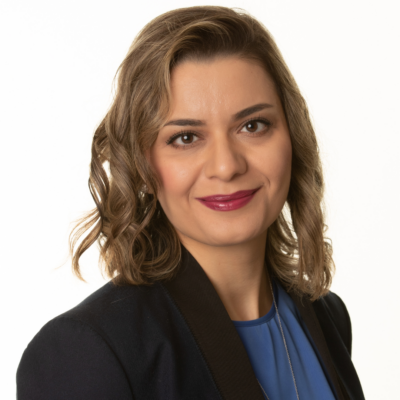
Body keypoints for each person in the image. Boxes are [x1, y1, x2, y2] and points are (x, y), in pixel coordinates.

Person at [16, 5, 365, 400]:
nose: (226, 165)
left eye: (253, 126)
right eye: (185, 138)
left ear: (292, 138)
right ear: (143, 163)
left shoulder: (326, 316)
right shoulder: (87, 352)